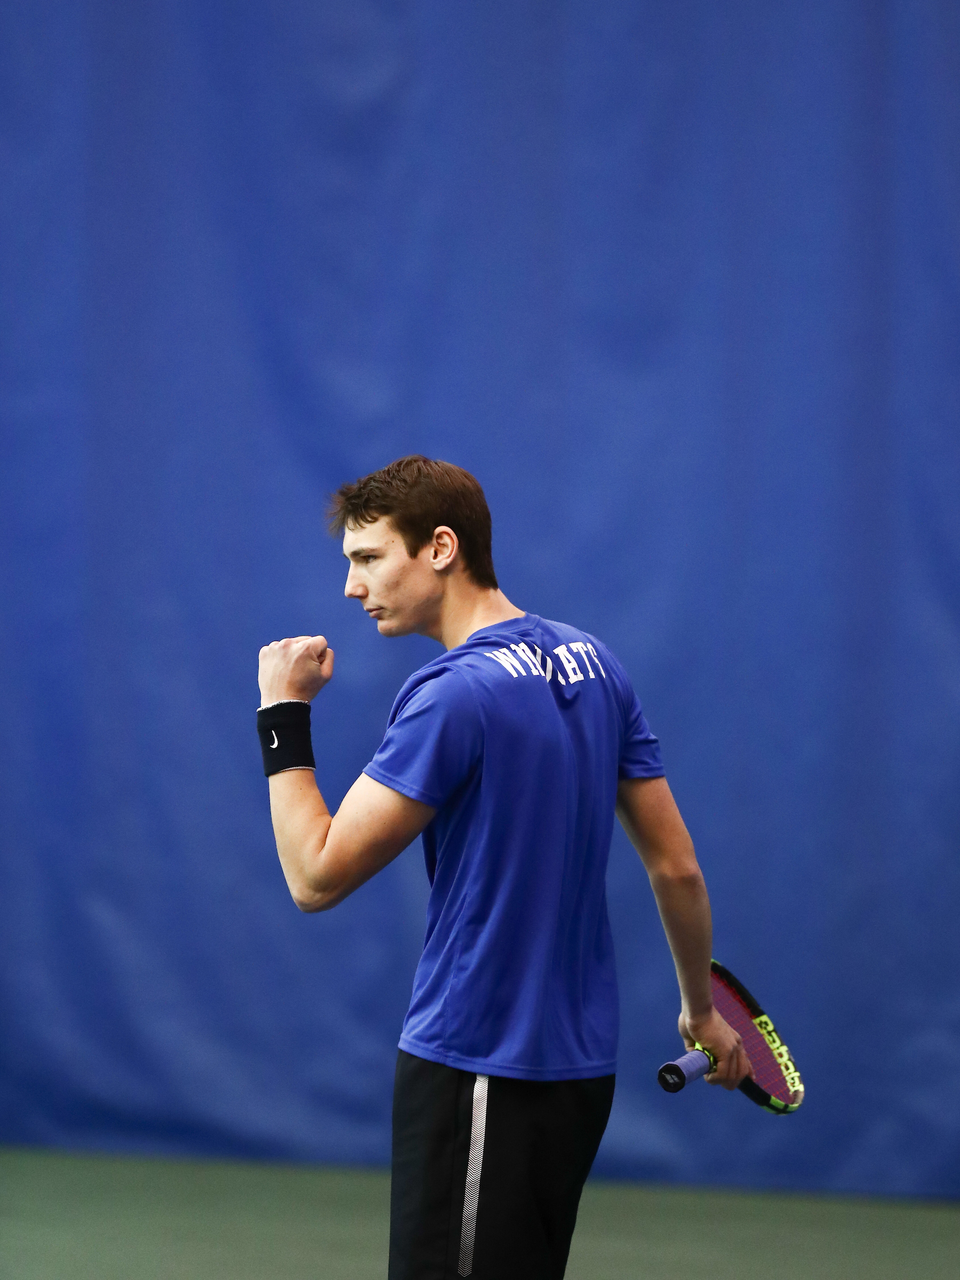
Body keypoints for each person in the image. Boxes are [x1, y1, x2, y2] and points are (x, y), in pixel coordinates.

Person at [256, 456, 751, 1280]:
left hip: (477, 1064)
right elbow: (679, 869)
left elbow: (315, 876)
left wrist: (282, 713)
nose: (352, 587)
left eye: (369, 558)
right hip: (579, 1071)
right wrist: (700, 1009)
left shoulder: (451, 695)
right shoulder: (595, 665)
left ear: (441, 547)